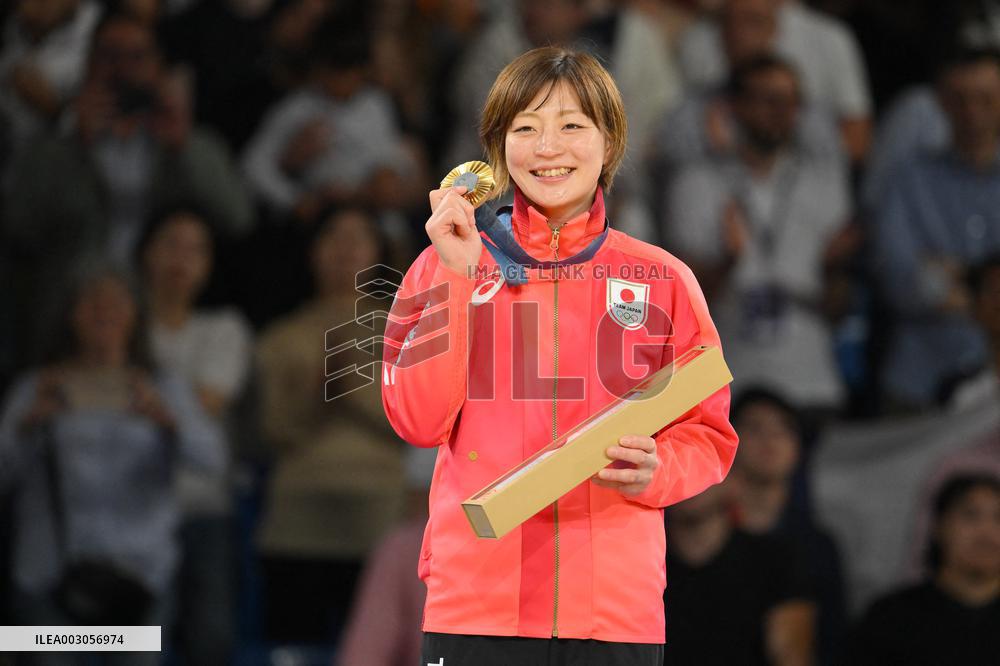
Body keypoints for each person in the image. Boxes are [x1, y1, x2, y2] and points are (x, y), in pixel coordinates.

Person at [381, 46, 738, 665]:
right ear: (499, 149)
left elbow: (707, 432)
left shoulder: (661, 278)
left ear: (610, 141)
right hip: (477, 604)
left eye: (572, 125)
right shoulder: (443, 264)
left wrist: (660, 469)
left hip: (614, 611)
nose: (548, 148)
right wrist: (455, 277)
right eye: (525, 128)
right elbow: (418, 420)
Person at [0, 260, 224, 666]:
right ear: (70, 314)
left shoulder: (163, 386)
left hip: (141, 575)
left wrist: (169, 421)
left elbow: (213, 462)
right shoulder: (35, 385)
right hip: (48, 576)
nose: (104, 312)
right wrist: (26, 425)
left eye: (117, 302)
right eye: (92, 302)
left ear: (136, 315)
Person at [665, 54, 853, 410]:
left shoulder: (825, 182)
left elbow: (839, 305)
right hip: (727, 368)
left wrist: (836, 271)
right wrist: (728, 262)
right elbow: (677, 309)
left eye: (790, 101)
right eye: (767, 99)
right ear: (734, 105)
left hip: (809, 372)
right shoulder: (696, 183)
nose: (780, 111)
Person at [256, 206, 406, 645]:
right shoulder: (281, 336)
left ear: (378, 252)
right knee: (293, 648)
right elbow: (272, 431)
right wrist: (322, 393)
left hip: (380, 516)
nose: (345, 248)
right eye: (333, 237)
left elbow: (418, 424)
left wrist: (348, 389)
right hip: (296, 519)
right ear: (313, 251)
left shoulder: (409, 329)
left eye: (358, 237)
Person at [137, 205, 253, 666]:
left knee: (210, 641)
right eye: (171, 245)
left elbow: (207, 405)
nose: (181, 260)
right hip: (130, 513)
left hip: (202, 508)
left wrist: (138, 397)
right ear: (145, 252)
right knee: (137, 646)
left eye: (196, 249)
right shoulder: (119, 328)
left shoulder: (224, 328)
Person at [872, 48, 1000, 410]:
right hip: (919, 380)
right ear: (942, 103)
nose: (972, 113)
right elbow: (899, 280)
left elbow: (923, 279)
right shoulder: (910, 178)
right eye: (960, 100)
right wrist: (986, 293)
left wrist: (948, 275)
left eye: (985, 99)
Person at [727, 387, 847, 665]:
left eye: (784, 429)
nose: (770, 440)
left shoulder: (817, 547)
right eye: (754, 428)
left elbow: (832, 638)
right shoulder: (700, 534)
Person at [848, 474, 1000, 665]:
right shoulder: (892, 618)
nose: (987, 532)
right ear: (939, 526)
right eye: (971, 515)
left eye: (998, 518)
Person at [663, 483, 815, 666]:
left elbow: (791, 655)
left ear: (734, 481)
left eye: (703, 467)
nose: (691, 478)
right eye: (677, 467)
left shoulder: (775, 561)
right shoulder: (643, 569)